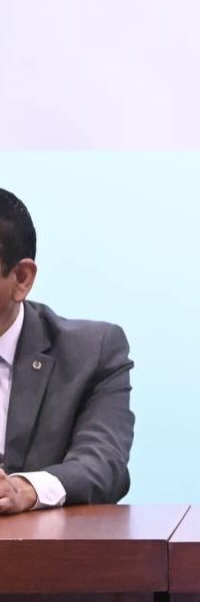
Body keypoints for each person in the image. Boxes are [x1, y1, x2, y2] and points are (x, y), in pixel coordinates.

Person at [0, 188, 134, 513]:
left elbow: (102, 463)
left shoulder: (91, 353)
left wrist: (25, 489)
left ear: (22, 278)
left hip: (35, 558)